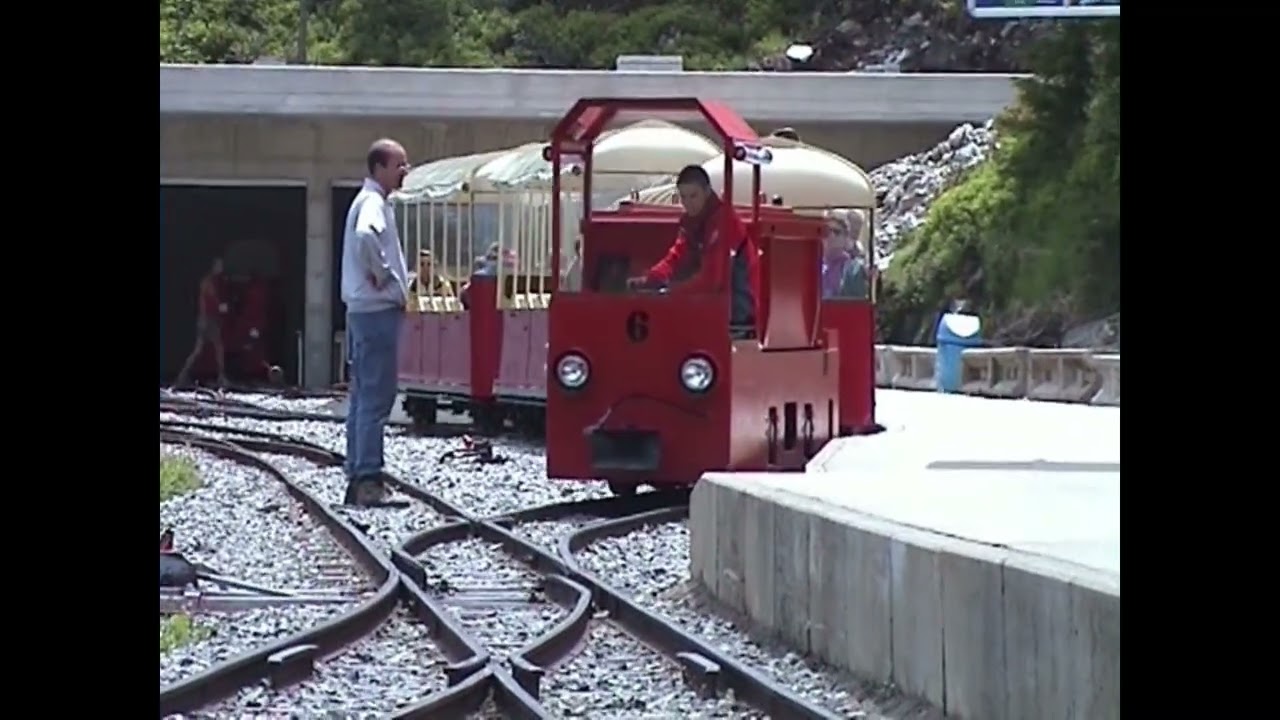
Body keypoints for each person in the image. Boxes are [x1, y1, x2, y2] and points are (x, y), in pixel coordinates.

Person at [340, 138, 411, 505]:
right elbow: (367, 236)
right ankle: (368, 478)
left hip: (361, 313)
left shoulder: (368, 201)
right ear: (379, 168)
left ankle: (358, 474)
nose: (405, 171)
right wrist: (383, 275)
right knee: (376, 398)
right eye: (400, 165)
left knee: (362, 397)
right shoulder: (372, 203)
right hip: (375, 312)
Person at [626, 165, 761, 335]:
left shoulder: (723, 221)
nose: (688, 203)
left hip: (739, 316)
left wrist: (671, 294)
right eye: (683, 197)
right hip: (715, 308)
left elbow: (713, 279)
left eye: (693, 196)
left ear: (706, 192)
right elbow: (676, 256)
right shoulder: (692, 222)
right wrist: (650, 279)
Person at [174, 257, 230, 387]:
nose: (221, 268)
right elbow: (213, 298)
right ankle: (221, 378)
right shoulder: (208, 281)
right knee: (217, 348)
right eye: (219, 265)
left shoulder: (213, 281)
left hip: (205, 319)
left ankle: (182, 376)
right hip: (208, 320)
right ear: (214, 266)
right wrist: (221, 306)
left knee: (202, 349)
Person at [821, 211, 869, 300]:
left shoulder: (854, 268)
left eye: (836, 232)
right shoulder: (812, 265)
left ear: (845, 237)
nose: (831, 236)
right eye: (827, 231)